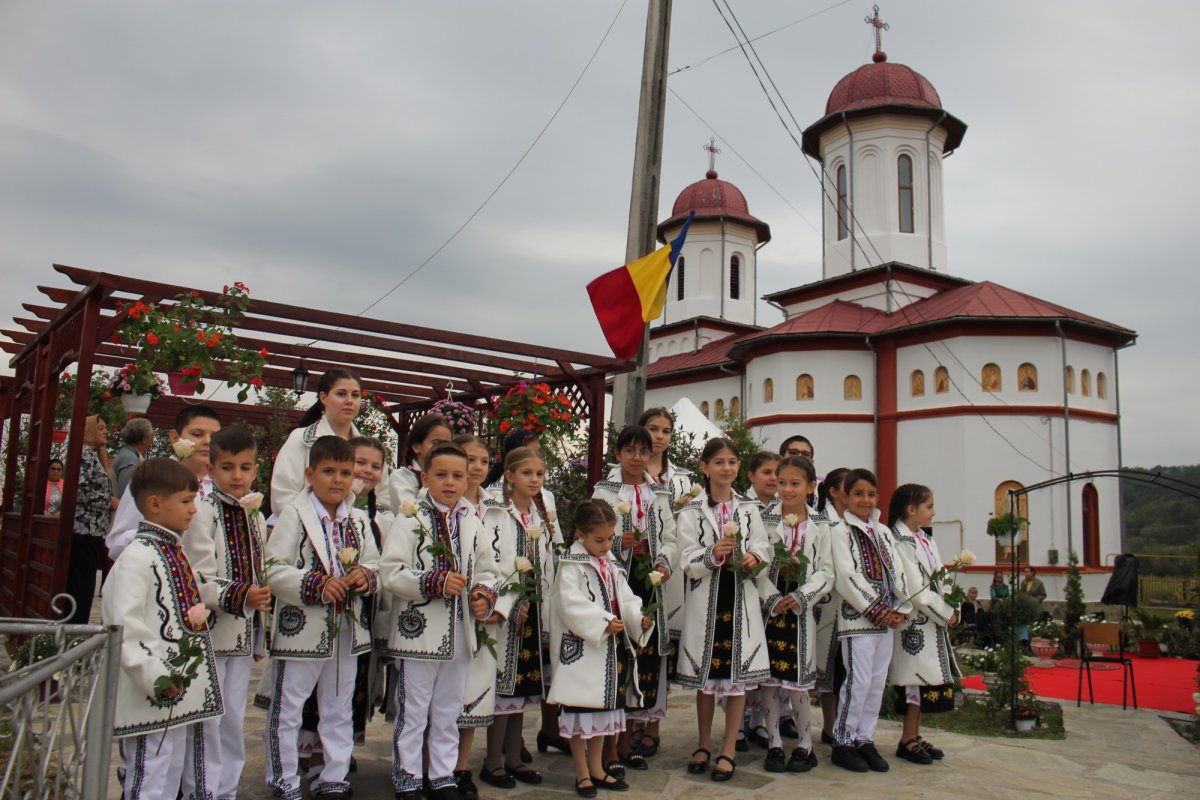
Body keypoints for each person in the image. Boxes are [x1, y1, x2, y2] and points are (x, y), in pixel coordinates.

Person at [379, 442, 499, 800]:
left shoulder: (472, 520)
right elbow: (391, 571)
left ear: (467, 480)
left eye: (457, 476)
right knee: (413, 710)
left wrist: (483, 596)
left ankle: (442, 775)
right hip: (418, 632)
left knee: (448, 709)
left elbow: (488, 570)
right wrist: (434, 582)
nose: (450, 482)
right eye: (441, 475)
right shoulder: (410, 517)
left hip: (461, 633)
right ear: (425, 478)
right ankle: (408, 777)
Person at [264, 436, 381, 799]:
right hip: (301, 628)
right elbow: (272, 569)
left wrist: (365, 575)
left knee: (339, 705)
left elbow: (376, 563)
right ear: (309, 474)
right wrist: (316, 584)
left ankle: (334, 777)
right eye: (329, 471)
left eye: (345, 473)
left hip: (346, 628)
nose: (338, 480)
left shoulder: (358, 519)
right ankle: (283, 780)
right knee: (288, 707)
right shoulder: (295, 515)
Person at [101, 458, 222, 800]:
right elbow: (123, 627)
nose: (194, 510)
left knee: (168, 773)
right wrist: (154, 675)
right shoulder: (137, 557)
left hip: (174, 694)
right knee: (149, 777)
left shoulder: (170, 551)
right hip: (151, 694)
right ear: (154, 504)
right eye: (186, 501)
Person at [180, 426, 271, 798]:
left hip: (243, 634)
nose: (237, 476)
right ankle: (200, 790)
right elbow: (198, 576)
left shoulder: (254, 515)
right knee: (208, 718)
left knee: (233, 717)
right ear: (211, 469)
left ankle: (226, 791)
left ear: (255, 470)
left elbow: (260, 572)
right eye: (228, 467)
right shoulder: (204, 514)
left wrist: (260, 631)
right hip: (212, 633)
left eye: (245, 467)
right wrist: (242, 595)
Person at [677, 437, 771, 782]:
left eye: (732, 462)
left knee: (736, 678)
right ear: (704, 468)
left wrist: (754, 557)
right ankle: (703, 743)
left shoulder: (748, 508)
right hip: (707, 600)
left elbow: (763, 546)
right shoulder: (691, 511)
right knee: (707, 677)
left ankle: (728, 748)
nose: (726, 468)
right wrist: (712, 554)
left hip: (740, 596)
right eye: (718, 462)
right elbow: (686, 558)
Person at [546, 500, 653, 797]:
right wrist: (603, 622)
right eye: (599, 540)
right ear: (581, 535)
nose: (606, 546)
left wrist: (637, 618)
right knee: (581, 713)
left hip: (608, 651)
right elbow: (570, 604)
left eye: (609, 539)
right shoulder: (571, 565)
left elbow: (626, 598)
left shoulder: (610, 563)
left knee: (602, 714)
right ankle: (581, 772)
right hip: (582, 654)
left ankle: (596, 768)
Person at [590, 426, 677, 772]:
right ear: (618, 454)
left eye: (643, 451)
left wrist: (663, 562)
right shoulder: (604, 490)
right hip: (615, 583)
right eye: (630, 450)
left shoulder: (659, 493)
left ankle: (628, 738)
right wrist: (617, 543)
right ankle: (611, 746)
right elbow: (589, 535)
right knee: (618, 658)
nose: (637, 458)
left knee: (643, 658)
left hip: (649, 583)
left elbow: (671, 537)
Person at [480, 447, 559, 789]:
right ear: (509, 476)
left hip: (533, 608)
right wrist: (508, 602)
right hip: (505, 609)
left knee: (522, 687)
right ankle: (493, 761)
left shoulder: (539, 515)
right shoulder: (496, 512)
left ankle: (514, 757)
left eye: (539, 474)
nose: (534, 480)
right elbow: (492, 562)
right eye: (527, 473)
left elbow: (549, 560)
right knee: (503, 687)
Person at [754, 455, 832, 773]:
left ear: (811, 487)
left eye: (795, 484)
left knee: (798, 683)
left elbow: (826, 571)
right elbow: (756, 563)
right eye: (782, 483)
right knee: (770, 682)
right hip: (772, 611)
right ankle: (774, 743)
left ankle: (804, 745)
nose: (787, 489)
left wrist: (801, 596)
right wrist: (772, 597)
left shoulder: (821, 526)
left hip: (801, 613)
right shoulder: (764, 521)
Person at [829, 469, 909, 773]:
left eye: (871, 494)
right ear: (845, 496)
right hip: (858, 620)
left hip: (887, 621)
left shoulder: (883, 532)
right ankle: (843, 740)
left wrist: (901, 606)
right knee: (858, 681)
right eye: (858, 494)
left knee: (877, 682)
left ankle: (865, 738)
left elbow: (897, 573)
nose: (865, 500)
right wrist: (877, 609)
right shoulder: (840, 531)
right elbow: (846, 577)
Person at [887, 484, 959, 766]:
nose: (933, 512)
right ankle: (906, 738)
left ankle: (915, 734)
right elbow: (914, 589)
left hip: (930, 622)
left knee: (923, 680)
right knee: (913, 682)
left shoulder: (924, 539)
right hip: (914, 622)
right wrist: (944, 612)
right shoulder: (898, 542)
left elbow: (940, 575)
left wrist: (952, 604)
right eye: (929, 507)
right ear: (911, 509)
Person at [451, 434, 501, 800]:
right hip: (448, 612)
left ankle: (460, 766)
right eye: (469, 459)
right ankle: (431, 765)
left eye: (483, 461)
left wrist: (495, 602)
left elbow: (506, 562)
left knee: (474, 693)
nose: (477, 467)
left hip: (484, 613)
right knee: (444, 696)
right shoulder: (441, 505)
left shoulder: (497, 507)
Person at [108, 406, 222, 561]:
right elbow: (117, 543)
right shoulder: (152, 477)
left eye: (215, 437)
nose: (208, 442)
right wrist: (162, 536)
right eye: (197, 434)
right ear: (175, 437)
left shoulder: (225, 484)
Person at [271, 368, 363, 519]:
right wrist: (324, 521)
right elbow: (282, 498)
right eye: (341, 394)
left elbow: (383, 501)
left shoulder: (367, 448)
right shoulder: (301, 438)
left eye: (355, 395)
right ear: (323, 397)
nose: (349, 401)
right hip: (304, 530)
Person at [741, 449, 782, 750]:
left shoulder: (785, 507)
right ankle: (739, 723)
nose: (773, 479)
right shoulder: (742, 507)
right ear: (751, 475)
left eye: (777, 473)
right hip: (749, 590)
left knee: (768, 664)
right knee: (746, 658)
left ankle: (760, 721)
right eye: (766, 472)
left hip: (779, 595)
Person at [813, 466, 850, 747]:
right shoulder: (822, 522)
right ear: (834, 492)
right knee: (828, 667)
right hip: (827, 602)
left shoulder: (854, 522)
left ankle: (844, 724)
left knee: (846, 668)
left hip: (851, 605)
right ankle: (829, 725)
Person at [67, 414, 115, 624]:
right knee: (81, 586)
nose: (105, 432)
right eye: (100, 428)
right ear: (87, 431)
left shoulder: (92, 453)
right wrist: (108, 501)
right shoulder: (85, 453)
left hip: (91, 530)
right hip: (84, 530)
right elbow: (78, 489)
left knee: (84, 585)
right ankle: (74, 630)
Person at [387, 413, 452, 508]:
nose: (442, 448)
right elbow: (412, 511)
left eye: (447, 444)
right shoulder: (401, 477)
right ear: (416, 446)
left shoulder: (451, 478)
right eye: (436, 443)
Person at [111, 417, 154, 499]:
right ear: (144, 439)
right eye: (152, 436)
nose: (153, 440)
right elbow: (125, 496)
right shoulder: (130, 460)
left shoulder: (126, 454)